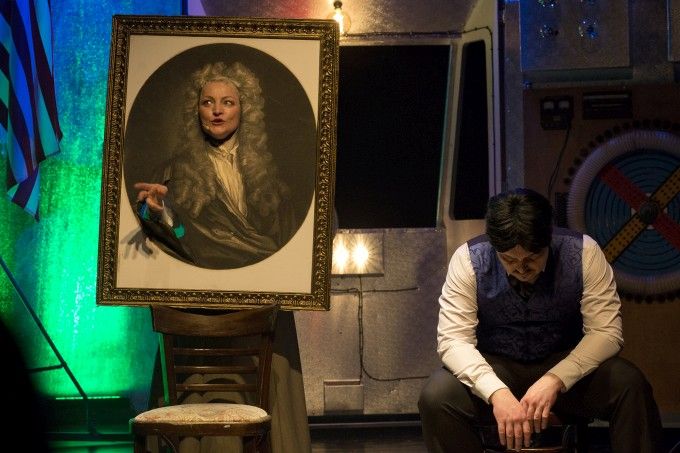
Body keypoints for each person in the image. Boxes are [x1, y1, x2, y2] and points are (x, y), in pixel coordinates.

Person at [418, 188, 664, 452]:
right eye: (509, 259)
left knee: (629, 384)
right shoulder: (468, 259)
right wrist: (496, 392)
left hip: (565, 367)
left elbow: (606, 333)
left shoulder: (585, 253)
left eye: (532, 257)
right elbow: (453, 340)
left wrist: (555, 379)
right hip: (497, 366)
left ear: (548, 239)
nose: (521, 268)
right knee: (437, 395)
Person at [133, 61, 298, 269]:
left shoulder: (268, 180)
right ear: (196, 110)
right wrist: (155, 212)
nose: (217, 110)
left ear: (245, 110)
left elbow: (288, 245)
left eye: (227, 102)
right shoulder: (171, 173)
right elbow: (178, 235)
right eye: (207, 102)